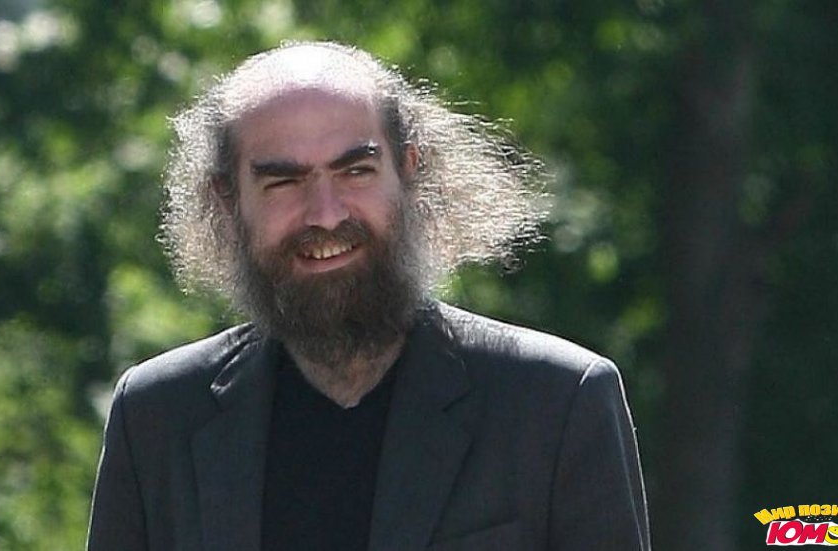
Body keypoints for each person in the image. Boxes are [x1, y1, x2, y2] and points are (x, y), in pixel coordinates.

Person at [87, 41, 650, 551]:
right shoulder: (157, 417)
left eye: (355, 171)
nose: (326, 214)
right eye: (283, 181)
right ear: (227, 200)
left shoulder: (558, 403)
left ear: (409, 171)